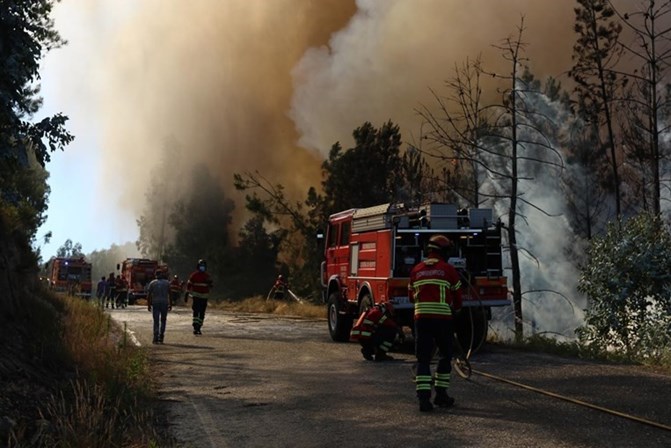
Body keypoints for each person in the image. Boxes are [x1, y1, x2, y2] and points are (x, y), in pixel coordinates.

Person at [408, 234, 463, 412]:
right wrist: (457, 309)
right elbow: (457, 297)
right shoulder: (448, 269)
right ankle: (441, 395)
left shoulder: (416, 270)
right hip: (442, 320)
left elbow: (411, 297)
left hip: (421, 319)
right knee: (445, 356)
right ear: (444, 251)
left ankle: (424, 400)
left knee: (423, 359)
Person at [186, 259, 213, 335]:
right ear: (198, 267)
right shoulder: (194, 275)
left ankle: (199, 326)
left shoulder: (207, 276)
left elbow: (210, 285)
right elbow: (189, 284)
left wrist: (210, 284)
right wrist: (187, 292)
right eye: (201, 266)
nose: (202, 268)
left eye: (203, 266)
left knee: (202, 312)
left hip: (204, 297)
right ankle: (195, 326)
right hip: (196, 296)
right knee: (196, 311)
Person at [147, 270, 172, 344]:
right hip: (164, 303)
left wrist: (148, 305)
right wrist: (171, 304)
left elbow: (149, 295)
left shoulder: (152, 283)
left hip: (156, 303)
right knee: (163, 320)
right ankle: (161, 336)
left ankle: (155, 337)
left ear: (155, 275)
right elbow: (170, 294)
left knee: (156, 320)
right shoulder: (167, 283)